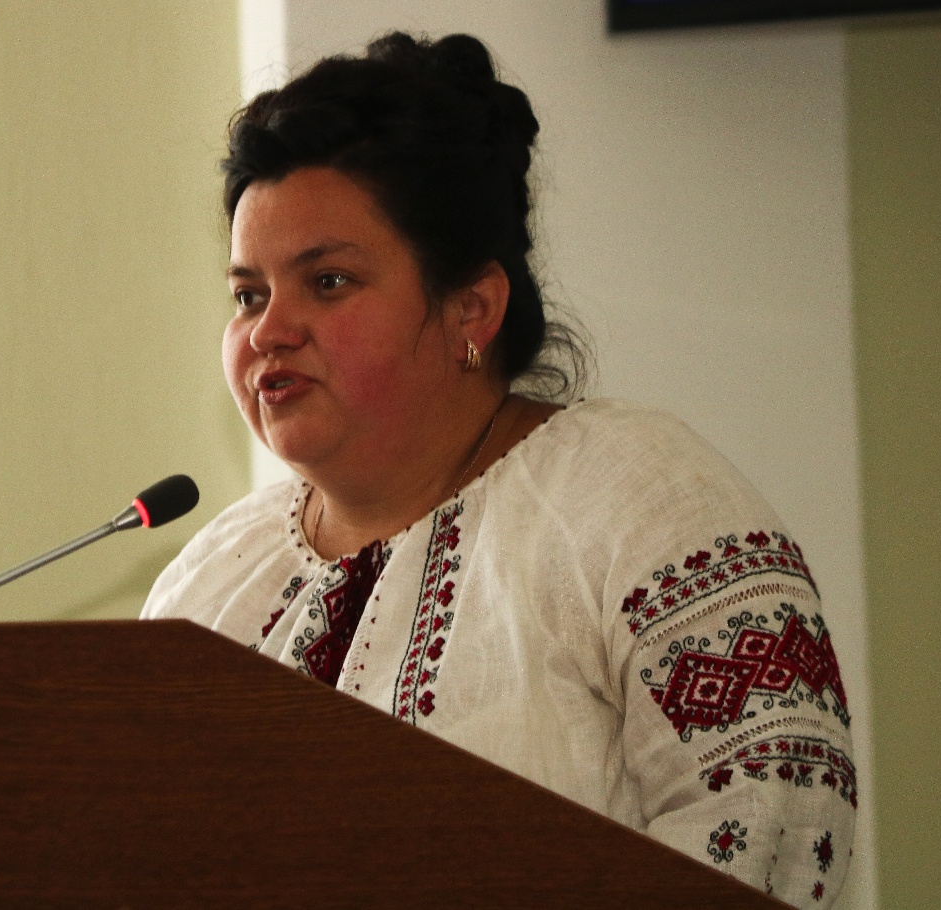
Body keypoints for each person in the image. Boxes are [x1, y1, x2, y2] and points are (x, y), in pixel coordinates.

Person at [142, 31, 854, 907]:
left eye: (326, 282)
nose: (267, 331)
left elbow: (778, 829)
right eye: (248, 294)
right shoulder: (209, 587)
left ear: (471, 308)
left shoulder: (637, 500)